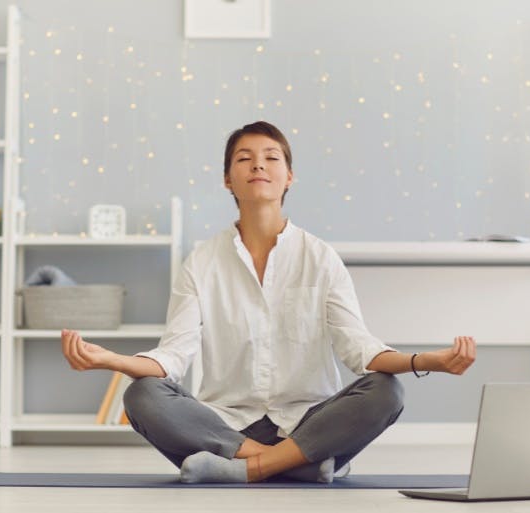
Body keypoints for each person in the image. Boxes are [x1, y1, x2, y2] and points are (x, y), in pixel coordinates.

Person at [61, 121, 476, 484]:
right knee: (141, 396)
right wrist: (111, 360)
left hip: (310, 423)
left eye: (271, 157)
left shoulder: (320, 257)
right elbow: (172, 357)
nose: (258, 165)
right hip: (225, 427)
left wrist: (427, 361)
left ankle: (245, 469)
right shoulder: (201, 262)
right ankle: (297, 466)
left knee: (387, 391)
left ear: (289, 176)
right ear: (228, 179)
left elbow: (360, 350)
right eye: (244, 158)